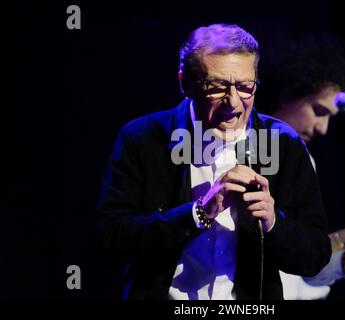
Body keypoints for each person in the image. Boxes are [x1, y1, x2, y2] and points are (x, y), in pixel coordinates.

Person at [93, 24, 331, 300]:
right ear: (185, 83)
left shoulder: (284, 144)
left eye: (245, 87)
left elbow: (315, 256)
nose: (233, 103)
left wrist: (274, 223)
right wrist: (198, 213)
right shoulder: (142, 139)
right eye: (217, 87)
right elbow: (108, 242)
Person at [257, 35, 345, 299]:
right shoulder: (235, 147)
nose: (323, 128)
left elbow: (300, 269)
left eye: (330, 117)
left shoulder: (305, 161)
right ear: (289, 93)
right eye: (319, 110)